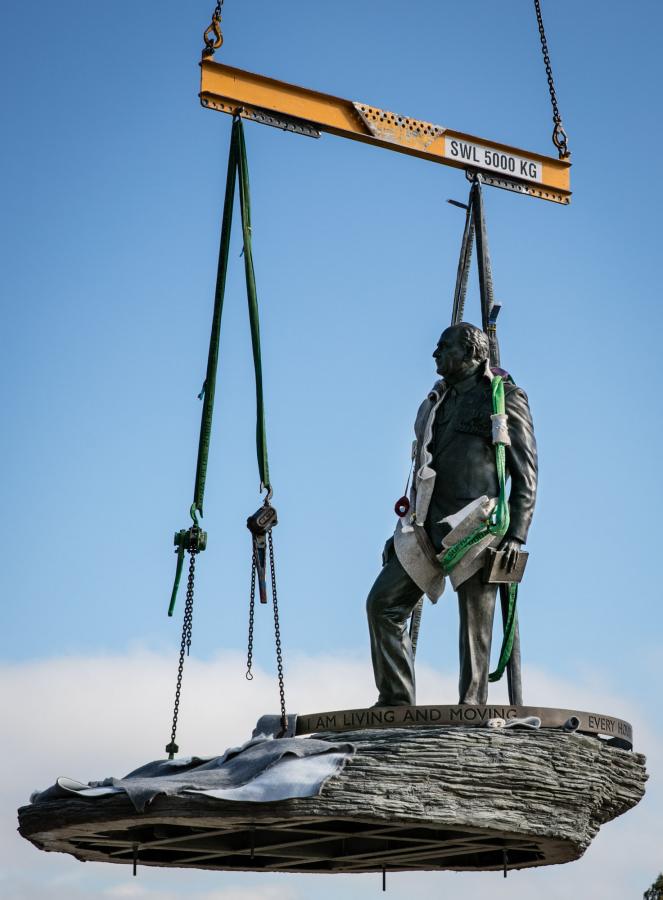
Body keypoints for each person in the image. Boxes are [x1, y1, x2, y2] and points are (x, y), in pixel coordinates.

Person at [366, 322, 537, 706]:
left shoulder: (504, 398)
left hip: (479, 523)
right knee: (383, 604)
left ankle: (472, 707)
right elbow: (421, 468)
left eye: (444, 347)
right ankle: (396, 700)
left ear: (472, 352)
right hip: (427, 525)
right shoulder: (434, 402)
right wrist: (402, 530)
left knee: (476, 625)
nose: (434, 354)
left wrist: (516, 535)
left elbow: (526, 473)